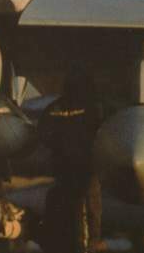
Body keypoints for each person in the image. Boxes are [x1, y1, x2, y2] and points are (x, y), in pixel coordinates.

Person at [38, 68, 105, 253]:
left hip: (63, 171)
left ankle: (60, 244)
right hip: (86, 170)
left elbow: (43, 134)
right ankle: (89, 245)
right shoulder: (95, 108)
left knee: (60, 206)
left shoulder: (54, 108)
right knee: (90, 208)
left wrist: (61, 145)